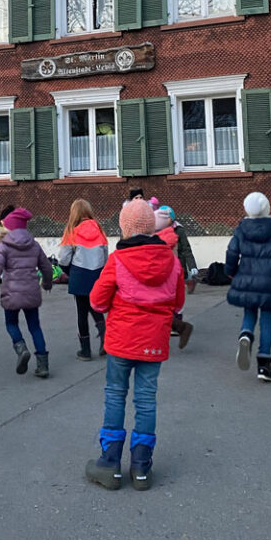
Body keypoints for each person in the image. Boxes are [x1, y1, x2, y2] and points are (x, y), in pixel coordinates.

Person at [84, 198, 184, 491]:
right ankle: (141, 468)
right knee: (146, 400)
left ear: (125, 228)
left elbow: (97, 301)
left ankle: (110, 464)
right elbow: (177, 303)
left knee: (115, 395)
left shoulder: (118, 260)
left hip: (121, 341)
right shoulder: (171, 259)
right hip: (154, 341)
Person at [0, 207, 53, 378]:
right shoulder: (34, 244)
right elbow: (46, 268)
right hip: (31, 293)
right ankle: (43, 365)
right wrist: (47, 284)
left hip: (11, 293)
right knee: (35, 327)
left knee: (11, 324)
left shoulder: (4, 246)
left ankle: (21, 348)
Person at [225, 192, 271, 383]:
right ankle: (264, 364)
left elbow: (232, 253)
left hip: (246, 278)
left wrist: (231, 272)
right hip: (269, 280)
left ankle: (246, 334)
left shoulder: (241, 230)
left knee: (249, 312)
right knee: (267, 320)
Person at [57, 199, 108, 360]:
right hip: (97, 274)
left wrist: (68, 271)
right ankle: (105, 339)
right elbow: (105, 254)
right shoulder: (99, 229)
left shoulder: (71, 231)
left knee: (82, 313)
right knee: (96, 308)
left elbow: (64, 259)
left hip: (79, 273)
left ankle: (85, 350)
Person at [155, 204, 196, 348]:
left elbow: (186, 249)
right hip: (168, 270)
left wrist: (192, 267)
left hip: (175, 269)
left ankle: (177, 323)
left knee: (174, 299)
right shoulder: (157, 233)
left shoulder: (178, 231)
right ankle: (177, 325)